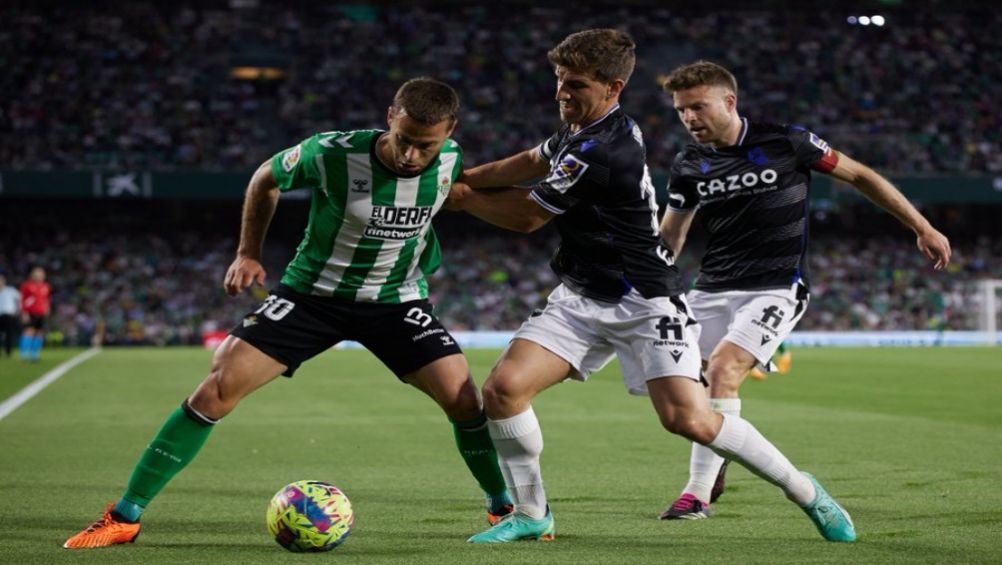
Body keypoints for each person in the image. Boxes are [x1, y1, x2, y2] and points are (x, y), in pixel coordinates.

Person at [63, 77, 512, 549]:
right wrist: (247, 252)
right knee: (217, 388)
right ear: (389, 117)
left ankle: (502, 506)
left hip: (396, 302)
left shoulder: (452, 158)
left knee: (464, 400)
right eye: (404, 140)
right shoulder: (330, 153)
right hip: (312, 296)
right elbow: (265, 179)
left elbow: (473, 192)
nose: (411, 156)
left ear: (449, 132)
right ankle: (125, 516)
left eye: (425, 146)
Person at [449, 29, 855, 543]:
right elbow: (532, 161)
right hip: (581, 295)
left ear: (613, 86)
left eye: (574, 85)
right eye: (558, 81)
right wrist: (460, 173)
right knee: (503, 390)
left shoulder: (605, 147)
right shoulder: (579, 131)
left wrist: (459, 196)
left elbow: (530, 215)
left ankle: (806, 491)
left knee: (690, 420)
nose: (561, 94)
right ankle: (532, 514)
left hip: (644, 299)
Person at [658, 60, 951, 519]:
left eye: (698, 106)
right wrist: (651, 284)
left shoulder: (787, 141)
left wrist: (922, 226)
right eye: (681, 111)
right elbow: (672, 234)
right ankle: (716, 458)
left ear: (729, 101)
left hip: (776, 286)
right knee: (687, 384)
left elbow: (860, 176)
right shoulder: (688, 164)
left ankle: (695, 492)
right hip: (711, 287)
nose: (690, 118)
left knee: (723, 371)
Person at [19, 266, 50, 361]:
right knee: (29, 331)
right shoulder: (27, 286)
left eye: (41, 274)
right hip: (30, 312)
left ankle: (34, 353)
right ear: (32, 275)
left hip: (41, 312)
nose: (39, 276)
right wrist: (24, 312)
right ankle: (23, 353)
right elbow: (22, 299)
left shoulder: (45, 286)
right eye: (37, 273)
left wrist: (47, 308)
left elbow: (46, 299)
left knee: (39, 333)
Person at [0, 273, 20, 357]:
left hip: (9, 315)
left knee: (9, 334)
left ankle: (8, 351)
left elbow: (19, 300)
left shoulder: (11, 290)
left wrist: (17, 311)